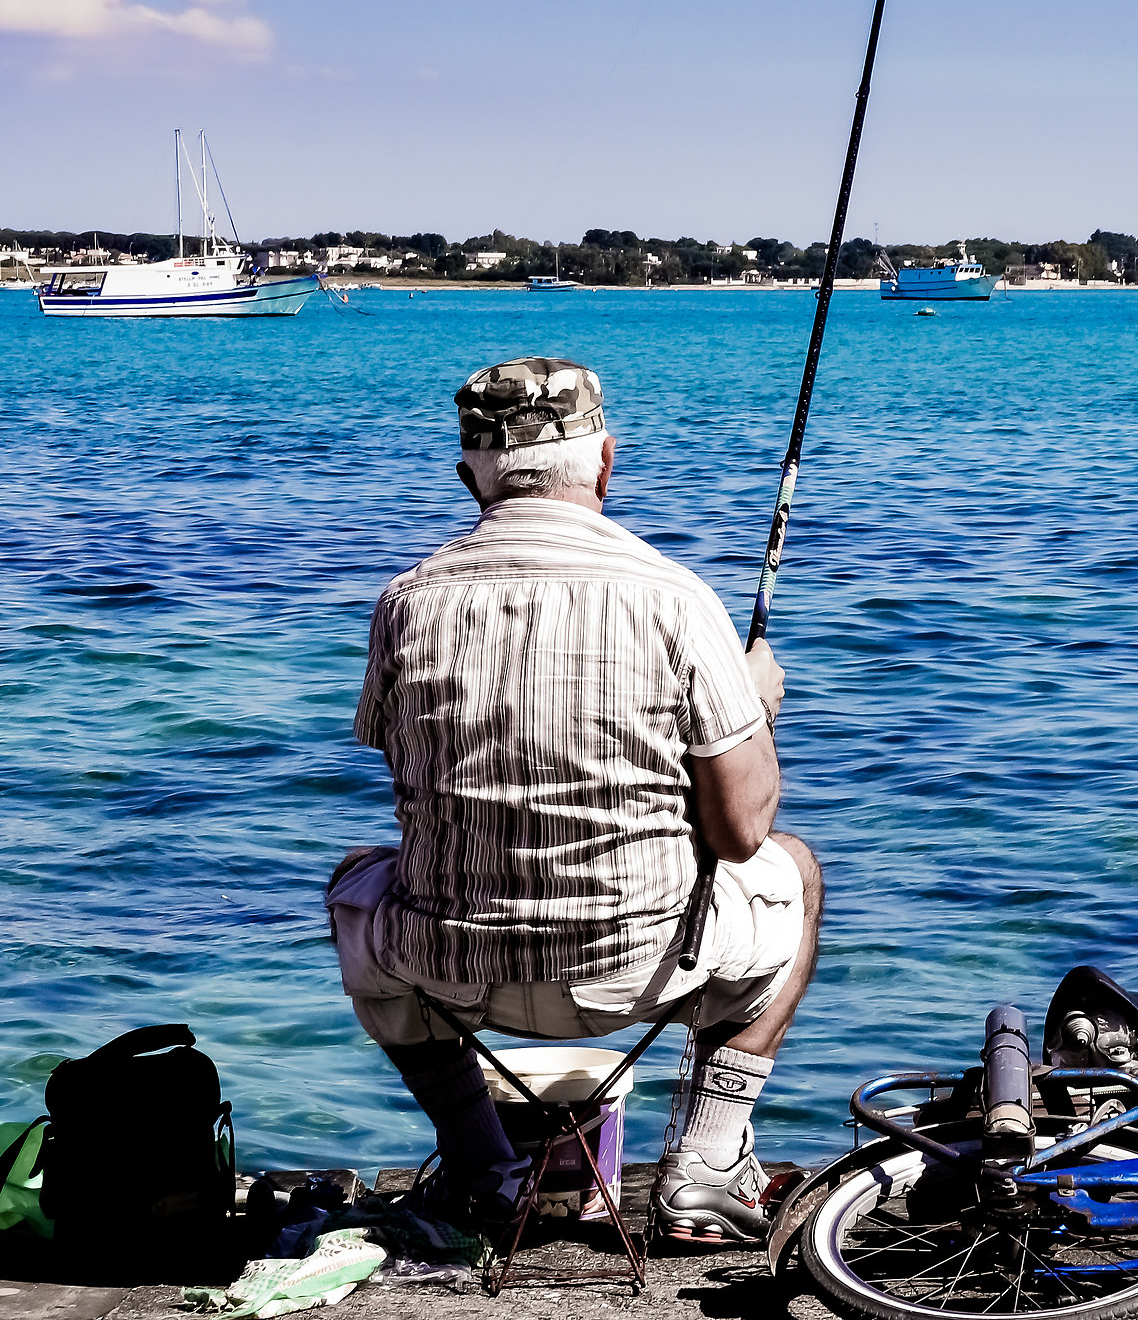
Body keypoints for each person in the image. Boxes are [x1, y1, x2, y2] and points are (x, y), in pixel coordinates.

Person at [326, 356, 823, 1245]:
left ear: (469, 477)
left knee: (357, 879)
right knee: (797, 871)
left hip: (448, 973)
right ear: (605, 464)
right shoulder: (675, 598)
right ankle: (707, 1164)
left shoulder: (404, 602)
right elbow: (741, 834)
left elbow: (408, 770)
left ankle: (482, 1168)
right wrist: (752, 711)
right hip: (639, 971)